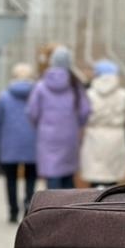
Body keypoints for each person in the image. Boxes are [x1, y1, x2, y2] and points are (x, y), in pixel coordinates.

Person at [27, 45, 90, 189]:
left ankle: (53, 201)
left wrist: (40, 126)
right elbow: (85, 111)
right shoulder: (75, 85)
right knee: (68, 174)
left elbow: (32, 112)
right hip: (69, 136)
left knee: (52, 173)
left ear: (52, 61)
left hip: (47, 137)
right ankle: (69, 203)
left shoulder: (41, 85)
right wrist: (76, 125)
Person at [0, 63, 37, 222]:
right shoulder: (37, 96)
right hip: (32, 144)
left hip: (9, 145)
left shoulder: (4, 97)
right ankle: (29, 209)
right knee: (30, 179)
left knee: (11, 179)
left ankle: (13, 211)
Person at [80, 59, 125, 189]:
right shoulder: (123, 95)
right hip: (116, 137)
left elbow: (84, 116)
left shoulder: (89, 94)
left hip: (94, 136)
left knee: (94, 175)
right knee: (112, 178)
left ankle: (94, 200)